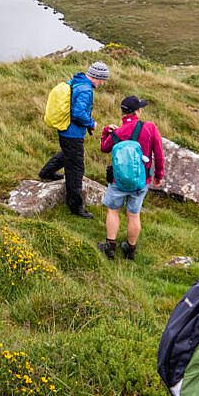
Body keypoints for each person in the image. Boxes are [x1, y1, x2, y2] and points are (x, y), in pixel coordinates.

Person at [37, 61, 110, 218]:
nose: (103, 83)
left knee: (68, 153)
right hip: (72, 134)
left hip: (65, 130)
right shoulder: (86, 90)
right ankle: (75, 206)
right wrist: (91, 123)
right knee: (76, 169)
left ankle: (47, 172)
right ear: (97, 77)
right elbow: (78, 113)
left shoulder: (77, 81)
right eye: (102, 79)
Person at [97, 95, 165, 260]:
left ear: (123, 112)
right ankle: (130, 249)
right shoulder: (150, 127)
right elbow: (159, 153)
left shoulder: (118, 132)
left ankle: (110, 247)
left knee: (113, 211)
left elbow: (104, 147)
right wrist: (158, 175)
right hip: (141, 180)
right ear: (138, 111)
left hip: (118, 181)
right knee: (134, 215)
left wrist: (106, 131)